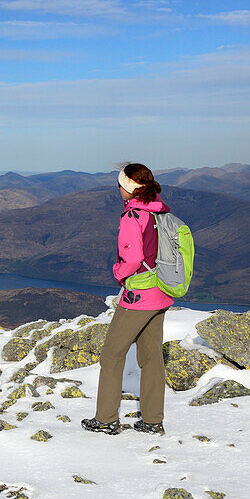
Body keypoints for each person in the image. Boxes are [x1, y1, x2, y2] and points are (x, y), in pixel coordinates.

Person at [82, 163, 174, 435]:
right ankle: (153, 420)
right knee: (152, 356)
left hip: (139, 295)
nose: (118, 188)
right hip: (161, 291)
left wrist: (118, 272)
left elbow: (132, 258)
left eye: (120, 183)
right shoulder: (159, 210)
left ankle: (106, 418)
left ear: (129, 189)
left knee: (112, 354)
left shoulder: (133, 216)